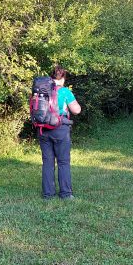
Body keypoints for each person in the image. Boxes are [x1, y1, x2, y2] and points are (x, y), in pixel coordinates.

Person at [39, 65, 81, 200]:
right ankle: (66, 193)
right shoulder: (64, 91)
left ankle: (48, 194)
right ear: (63, 78)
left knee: (47, 162)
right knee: (63, 162)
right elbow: (76, 110)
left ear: (51, 77)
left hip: (43, 129)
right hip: (60, 129)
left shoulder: (42, 90)